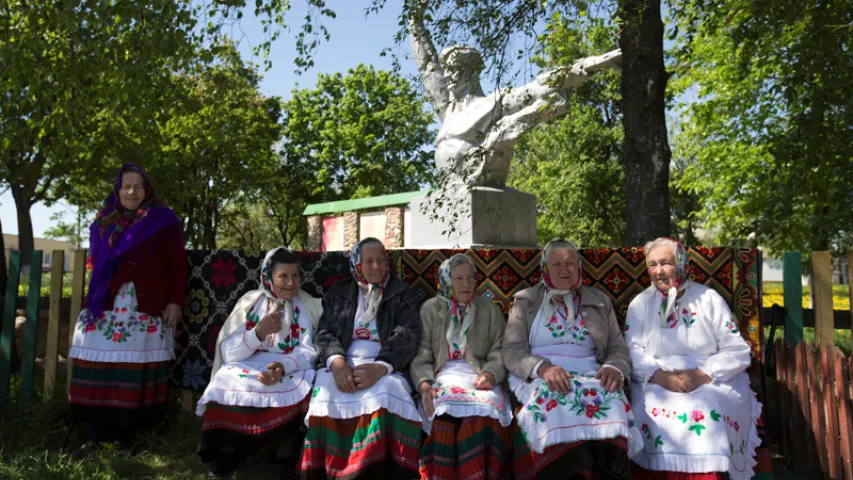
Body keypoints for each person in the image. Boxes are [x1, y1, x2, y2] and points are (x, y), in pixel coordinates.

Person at [68, 164, 187, 451]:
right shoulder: (103, 222)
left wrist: (174, 301)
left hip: (143, 304)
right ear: (117, 189)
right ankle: (95, 434)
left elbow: (178, 264)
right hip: (104, 304)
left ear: (147, 191)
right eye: (126, 185)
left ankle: (126, 436)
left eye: (137, 186)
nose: (131, 191)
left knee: (131, 367)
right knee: (97, 364)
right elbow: (96, 265)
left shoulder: (163, 219)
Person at [502, 238, 642, 479]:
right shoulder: (525, 301)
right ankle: (576, 471)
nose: (564, 269)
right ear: (545, 270)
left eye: (570, 263)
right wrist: (542, 368)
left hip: (590, 372)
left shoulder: (598, 301)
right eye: (556, 264)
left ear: (579, 268)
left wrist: (613, 367)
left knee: (611, 396)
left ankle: (607, 472)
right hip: (539, 374)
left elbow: (618, 347)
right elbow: (512, 350)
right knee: (553, 397)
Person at [626, 238, 762, 480]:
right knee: (650, 409)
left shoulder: (708, 298)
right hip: (656, 377)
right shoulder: (640, 304)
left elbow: (738, 350)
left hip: (709, 377)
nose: (659, 271)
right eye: (652, 264)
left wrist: (701, 374)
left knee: (706, 409)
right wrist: (660, 377)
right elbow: (632, 350)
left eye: (666, 263)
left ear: (681, 263)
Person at [299, 237, 422, 479]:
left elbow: (407, 335)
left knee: (387, 390)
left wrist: (380, 367)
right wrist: (337, 362)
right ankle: (326, 469)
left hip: (386, 364)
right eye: (368, 261)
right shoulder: (339, 292)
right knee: (326, 390)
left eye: (381, 260)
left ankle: (372, 467)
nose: (376, 266)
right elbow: (324, 333)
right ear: (357, 264)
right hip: (344, 360)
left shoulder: (402, 293)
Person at [196, 247, 322, 478]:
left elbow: (309, 351)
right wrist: (258, 333)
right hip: (248, 363)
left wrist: (283, 367)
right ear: (268, 277)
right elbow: (229, 352)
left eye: (295, 276)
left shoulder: (305, 306)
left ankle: (278, 454)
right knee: (224, 381)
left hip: (290, 366)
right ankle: (225, 455)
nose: (291, 283)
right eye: (283, 276)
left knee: (296, 386)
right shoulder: (250, 303)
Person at [410, 253, 513, 480]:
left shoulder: (488, 309)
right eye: (458, 279)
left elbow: (500, 349)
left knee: (486, 408)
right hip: (442, 373)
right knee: (442, 405)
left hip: (478, 374)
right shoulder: (430, 309)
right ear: (446, 281)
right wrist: (424, 384)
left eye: (470, 278)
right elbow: (422, 353)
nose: (466, 284)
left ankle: (479, 473)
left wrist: (491, 373)